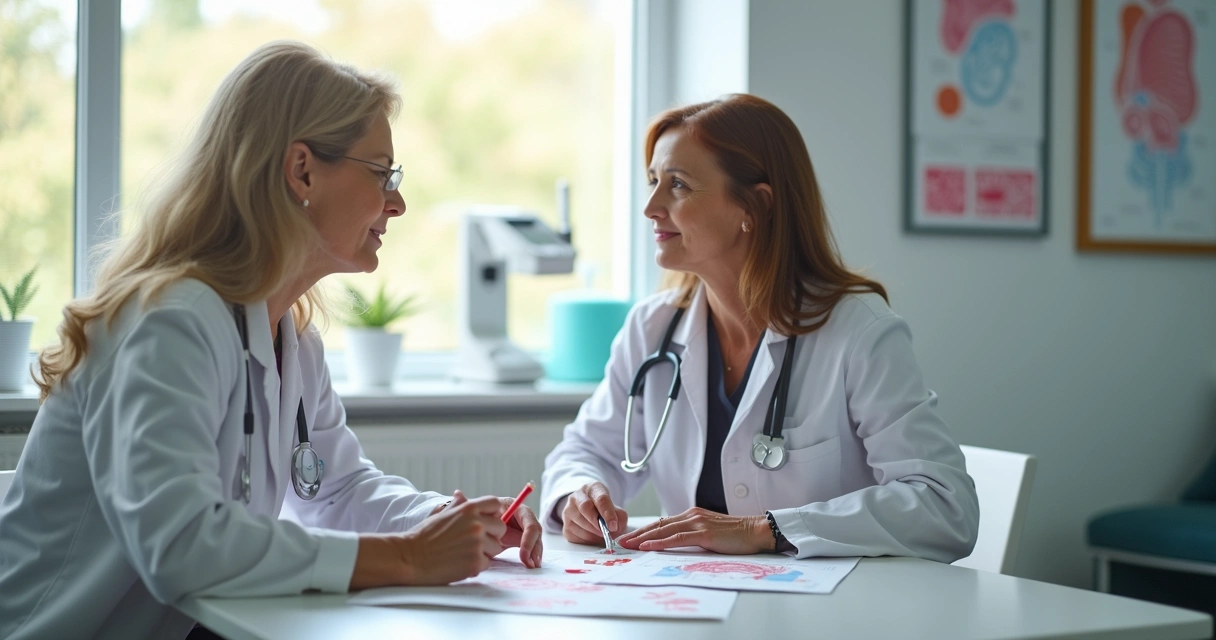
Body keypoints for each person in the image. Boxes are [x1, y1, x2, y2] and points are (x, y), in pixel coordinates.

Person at [0, 41, 542, 640]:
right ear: (302, 170)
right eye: (382, 172)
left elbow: (335, 488)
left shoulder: (287, 331)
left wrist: (443, 522)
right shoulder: (168, 320)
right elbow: (181, 545)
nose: (398, 202)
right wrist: (411, 558)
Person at [540, 94, 979, 561]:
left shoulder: (859, 332)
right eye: (652, 182)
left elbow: (945, 506)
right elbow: (586, 450)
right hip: (698, 605)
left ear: (754, 205)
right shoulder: (653, 328)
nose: (650, 206)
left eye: (679, 186)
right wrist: (579, 495)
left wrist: (763, 529)